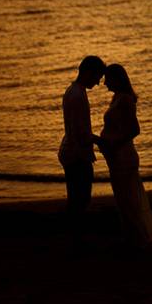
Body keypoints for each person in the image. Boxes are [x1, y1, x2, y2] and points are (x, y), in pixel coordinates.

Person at [96, 64, 152, 248]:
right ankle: (132, 237)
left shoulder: (125, 99)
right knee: (123, 199)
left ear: (117, 79)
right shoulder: (117, 97)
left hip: (123, 157)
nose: (104, 83)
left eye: (108, 79)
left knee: (128, 200)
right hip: (116, 156)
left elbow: (134, 129)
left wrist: (113, 144)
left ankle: (138, 239)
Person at [58, 55, 106, 241]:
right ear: (88, 73)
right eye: (97, 77)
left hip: (72, 151)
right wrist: (101, 141)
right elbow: (80, 132)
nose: (98, 82)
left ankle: (74, 237)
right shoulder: (77, 95)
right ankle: (75, 238)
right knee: (81, 199)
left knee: (77, 199)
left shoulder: (73, 90)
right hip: (76, 154)